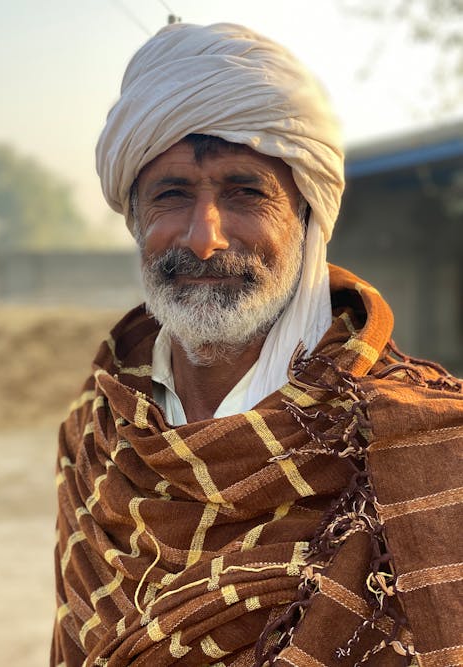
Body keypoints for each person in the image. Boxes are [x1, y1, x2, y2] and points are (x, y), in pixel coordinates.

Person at [51, 23, 462, 667]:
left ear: (306, 218)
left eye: (246, 192)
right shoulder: (97, 429)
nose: (204, 237)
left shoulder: (426, 443)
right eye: (172, 195)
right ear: (135, 220)